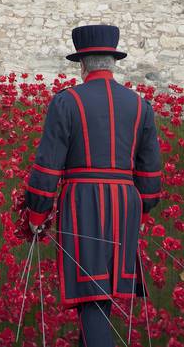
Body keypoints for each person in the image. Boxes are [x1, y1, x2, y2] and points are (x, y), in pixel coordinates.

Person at [20, 24, 162, 347]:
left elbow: (48, 166)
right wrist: (140, 209)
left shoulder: (66, 102)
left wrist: (37, 214)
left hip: (83, 203)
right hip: (126, 204)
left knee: (91, 295)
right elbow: (151, 178)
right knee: (103, 295)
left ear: (82, 64)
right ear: (113, 60)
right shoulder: (141, 106)